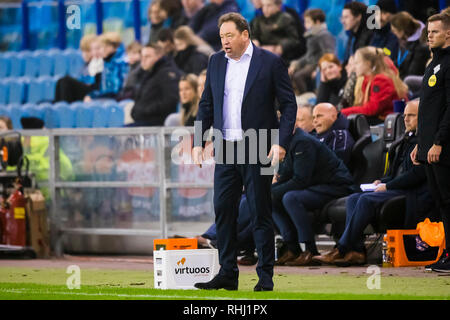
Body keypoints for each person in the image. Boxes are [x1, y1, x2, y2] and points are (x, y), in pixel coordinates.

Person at [192, 13, 297, 291]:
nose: (224, 42)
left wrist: (281, 142)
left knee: (260, 211)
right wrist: (197, 141)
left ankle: (265, 276)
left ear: (245, 35)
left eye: (229, 35)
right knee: (223, 210)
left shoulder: (270, 62)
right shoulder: (215, 61)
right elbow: (206, 104)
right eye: (221, 36)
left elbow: (289, 105)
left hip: (258, 144)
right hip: (226, 148)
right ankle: (227, 272)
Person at [314, 100, 435, 266]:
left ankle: (341, 249)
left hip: (413, 193)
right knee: (353, 198)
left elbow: (417, 175)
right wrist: (382, 181)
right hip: (397, 188)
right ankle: (356, 251)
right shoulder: (404, 141)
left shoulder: (425, 143)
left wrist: (388, 186)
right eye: (405, 115)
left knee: (365, 199)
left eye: (412, 115)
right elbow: (393, 173)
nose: (406, 119)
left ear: (422, 118)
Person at [271, 126, 354, 266]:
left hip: (336, 185)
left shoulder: (302, 141)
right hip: (316, 186)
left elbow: (300, 180)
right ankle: (292, 248)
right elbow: (286, 175)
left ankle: (311, 251)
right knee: (270, 199)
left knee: (290, 198)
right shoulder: (288, 142)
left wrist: (272, 191)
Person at [410, 13, 450, 273]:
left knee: (449, 201)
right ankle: (446, 254)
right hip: (428, 147)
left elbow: (449, 108)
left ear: (448, 34)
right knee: (441, 203)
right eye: (428, 32)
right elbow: (428, 109)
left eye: (435, 32)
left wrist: (438, 142)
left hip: (443, 149)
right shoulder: (432, 64)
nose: (429, 36)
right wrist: (420, 143)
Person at [341, 46, 409, 125]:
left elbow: (372, 109)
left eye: (357, 63)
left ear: (368, 63)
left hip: (390, 122)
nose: (354, 67)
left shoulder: (381, 80)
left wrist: (342, 113)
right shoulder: (367, 80)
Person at [129, 44, 182, 126]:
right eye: (142, 57)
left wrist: (146, 110)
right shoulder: (148, 73)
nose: (143, 60)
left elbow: (171, 100)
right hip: (144, 121)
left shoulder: (166, 73)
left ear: (159, 56)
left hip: (157, 123)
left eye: (147, 56)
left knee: (118, 135)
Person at [288, 8, 336, 95]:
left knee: (298, 76)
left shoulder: (323, 35)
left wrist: (319, 69)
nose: (305, 24)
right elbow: (308, 55)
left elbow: (328, 54)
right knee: (291, 72)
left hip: (316, 65)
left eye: (308, 22)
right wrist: (296, 64)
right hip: (310, 64)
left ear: (317, 22)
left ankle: (307, 96)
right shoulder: (312, 35)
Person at [54, 34, 100, 103]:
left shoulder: (97, 63)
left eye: (86, 51)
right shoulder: (86, 65)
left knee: (66, 81)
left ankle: (66, 110)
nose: (83, 54)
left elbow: (94, 84)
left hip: (91, 92)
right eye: (83, 51)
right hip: (85, 90)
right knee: (60, 81)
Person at [84, 32, 129, 102]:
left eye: (103, 47)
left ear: (111, 47)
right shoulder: (107, 62)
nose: (101, 51)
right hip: (108, 97)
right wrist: (92, 95)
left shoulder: (120, 63)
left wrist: (94, 96)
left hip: (117, 99)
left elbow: (115, 90)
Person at [390, 11, 430, 79]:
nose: (393, 33)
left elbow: (412, 74)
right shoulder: (405, 41)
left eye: (394, 31)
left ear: (402, 31)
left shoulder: (420, 47)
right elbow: (400, 62)